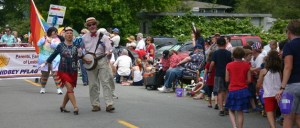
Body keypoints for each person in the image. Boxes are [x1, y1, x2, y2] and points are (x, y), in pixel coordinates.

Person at [45, 27, 81, 115]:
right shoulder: (60, 46)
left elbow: (80, 56)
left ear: (73, 35)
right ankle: (75, 107)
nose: (69, 35)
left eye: (71, 33)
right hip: (63, 70)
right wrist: (46, 62)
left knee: (70, 89)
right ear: (64, 35)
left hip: (73, 70)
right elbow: (53, 55)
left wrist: (86, 60)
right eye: (67, 33)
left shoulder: (76, 46)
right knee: (69, 88)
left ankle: (63, 106)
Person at [82, 17, 115, 112]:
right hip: (90, 62)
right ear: (87, 27)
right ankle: (95, 104)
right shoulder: (83, 38)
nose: (92, 26)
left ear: (96, 25)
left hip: (101, 60)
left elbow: (109, 49)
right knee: (92, 84)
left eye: (93, 24)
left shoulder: (104, 37)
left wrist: (109, 53)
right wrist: (84, 58)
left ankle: (109, 104)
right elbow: (80, 50)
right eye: (89, 25)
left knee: (105, 82)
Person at [276, 19, 300, 128]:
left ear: (289, 31)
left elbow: (288, 67)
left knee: (288, 116)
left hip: (293, 84)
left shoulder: (289, 46)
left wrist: (282, 87)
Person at [225, 47, 251, 128]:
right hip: (243, 90)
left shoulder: (229, 65)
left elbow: (226, 79)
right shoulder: (247, 65)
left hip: (232, 89)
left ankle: (234, 126)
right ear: (243, 55)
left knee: (230, 109)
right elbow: (249, 80)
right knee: (240, 112)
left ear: (233, 55)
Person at [257, 51, 282, 128]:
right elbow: (281, 81)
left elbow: (258, 84)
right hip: (278, 94)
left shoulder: (264, 71)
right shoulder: (279, 71)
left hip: (268, 94)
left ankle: (273, 126)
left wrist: (257, 92)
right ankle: (272, 126)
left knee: (269, 112)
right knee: (274, 111)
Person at [209, 37, 232, 116]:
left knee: (219, 92)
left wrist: (209, 71)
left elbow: (212, 63)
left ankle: (221, 109)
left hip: (218, 74)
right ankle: (226, 107)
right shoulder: (229, 53)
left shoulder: (215, 53)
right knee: (226, 91)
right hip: (227, 75)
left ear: (217, 44)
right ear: (225, 44)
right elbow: (231, 64)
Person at [37, 27, 63, 94]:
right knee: (45, 74)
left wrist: (51, 41)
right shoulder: (44, 38)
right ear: (50, 32)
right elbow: (38, 44)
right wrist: (44, 39)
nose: (56, 33)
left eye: (56, 32)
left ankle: (58, 89)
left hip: (54, 58)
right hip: (44, 58)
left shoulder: (57, 39)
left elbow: (57, 46)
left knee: (55, 74)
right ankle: (42, 88)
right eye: (54, 32)